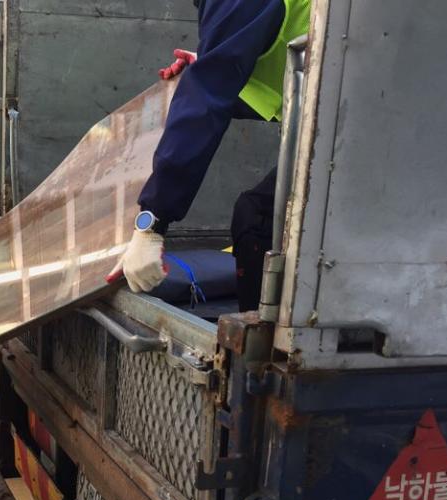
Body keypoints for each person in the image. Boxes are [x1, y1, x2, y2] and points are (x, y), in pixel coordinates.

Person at [108, 0, 311, 311]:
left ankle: (265, 351)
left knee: (256, 219)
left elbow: (206, 103)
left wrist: (152, 225)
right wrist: (210, 66)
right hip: (363, 120)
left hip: (366, 129)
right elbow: (278, 90)